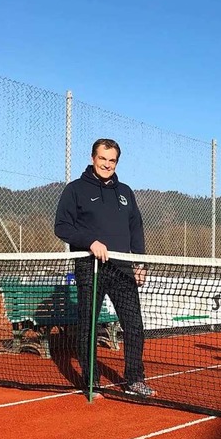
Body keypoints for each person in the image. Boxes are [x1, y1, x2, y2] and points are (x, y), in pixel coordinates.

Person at [54, 138, 156, 399]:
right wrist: (90, 242)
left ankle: (135, 379)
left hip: (123, 270)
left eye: (112, 160)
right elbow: (62, 227)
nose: (107, 164)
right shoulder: (75, 189)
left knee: (134, 326)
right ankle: (91, 383)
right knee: (88, 326)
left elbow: (136, 229)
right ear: (92, 158)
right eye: (103, 158)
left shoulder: (125, 192)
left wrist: (140, 262)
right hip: (91, 269)